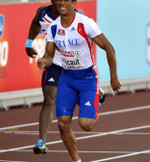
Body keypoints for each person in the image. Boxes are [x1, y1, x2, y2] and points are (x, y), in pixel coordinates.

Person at [37, 0, 121, 161]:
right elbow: (49, 56)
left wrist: (114, 77)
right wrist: (43, 61)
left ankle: (96, 101)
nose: (62, 3)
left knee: (86, 124)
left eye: (66, 0)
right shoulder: (53, 28)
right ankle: (77, 160)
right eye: (59, 0)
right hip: (67, 78)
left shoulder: (85, 23)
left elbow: (109, 47)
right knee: (62, 123)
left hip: (87, 78)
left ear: (74, 3)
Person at [25, 0, 105, 154]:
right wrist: (29, 43)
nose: (61, 3)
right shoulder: (43, 13)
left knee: (82, 107)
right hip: (54, 62)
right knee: (49, 99)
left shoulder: (76, 17)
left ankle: (94, 93)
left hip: (74, 66)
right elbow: (36, 23)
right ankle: (41, 141)